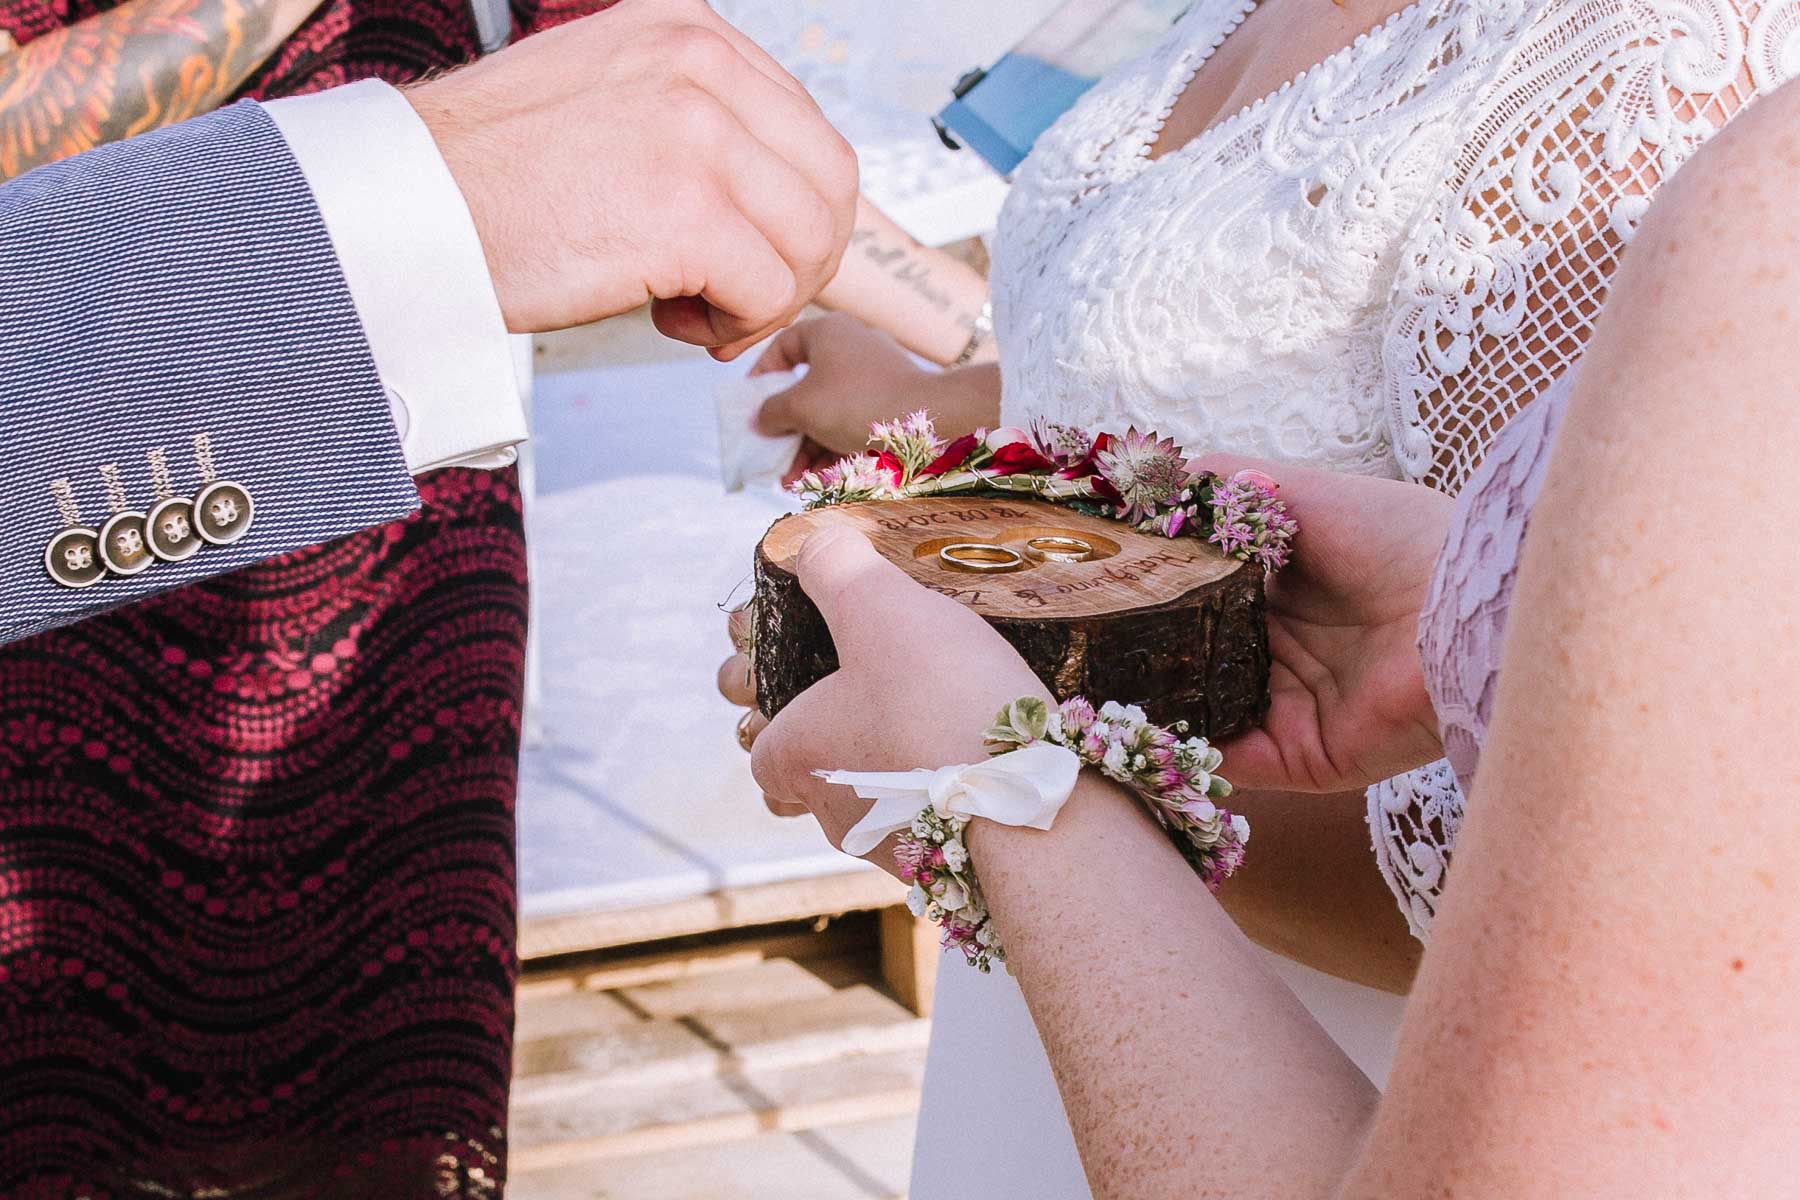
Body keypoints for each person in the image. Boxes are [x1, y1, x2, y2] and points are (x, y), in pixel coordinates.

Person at [722, 0, 1800, 1189]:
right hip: (1070, 1016)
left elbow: (1556, 876)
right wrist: (943, 411)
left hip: (1302, 1066)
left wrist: (998, 778)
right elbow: (1168, 330)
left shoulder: (1668, 82)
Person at [0, 3, 856, 1195]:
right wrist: (394, 180)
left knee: (384, 1081)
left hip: (401, 522)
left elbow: (678, 112)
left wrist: (968, 356)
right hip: (78, 520)